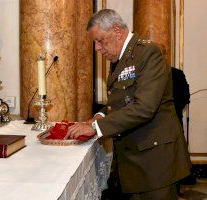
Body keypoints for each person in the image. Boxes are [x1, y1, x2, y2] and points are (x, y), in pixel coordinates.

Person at [65, 9, 191, 199]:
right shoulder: (121, 57)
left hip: (155, 162)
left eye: (100, 41)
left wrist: (96, 128)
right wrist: (99, 116)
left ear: (117, 31)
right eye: (95, 43)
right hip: (134, 159)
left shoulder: (148, 52)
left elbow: (144, 107)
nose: (97, 48)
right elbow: (122, 101)